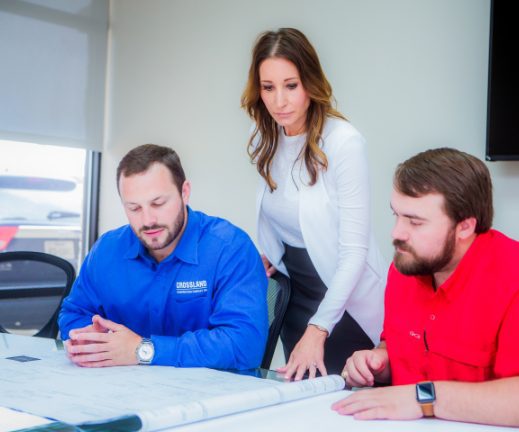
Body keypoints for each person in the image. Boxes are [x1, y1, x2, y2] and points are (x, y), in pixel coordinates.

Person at [333, 148, 519, 427]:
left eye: (415, 222)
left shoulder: (511, 278)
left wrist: (422, 398)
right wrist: (378, 361)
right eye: (396, 215)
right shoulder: (405, 266)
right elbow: (401, 349)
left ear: (465, 227)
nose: (396, 233)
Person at [241, 28, 387, 380]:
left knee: (348, 406)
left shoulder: (344, 142)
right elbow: (286, 217)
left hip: (344, 300)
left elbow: (353, 252)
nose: (280, 101)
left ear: (310, 82)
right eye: (268, 87)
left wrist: (319, 327)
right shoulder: (264, 137)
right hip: (296, 297)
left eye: (291, 85)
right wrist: (271, 255)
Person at [59, 144, 268, 369]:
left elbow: (245, 345)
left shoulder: (230, 249)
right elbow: (74, 314)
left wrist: (142, 350)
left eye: (158, 203)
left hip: (212, 395)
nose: (148, 220)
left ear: (184, 192)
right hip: (125, 392)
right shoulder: (107, 250)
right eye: (134, 208)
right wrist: (93, 338)